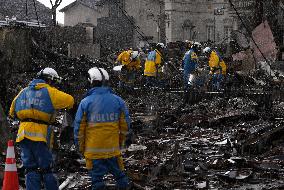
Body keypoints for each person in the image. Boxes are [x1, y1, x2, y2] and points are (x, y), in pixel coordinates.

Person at [9, 67, 74, 190]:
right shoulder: (50, 92)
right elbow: (70, 101)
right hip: (41, 134)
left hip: (23, 133)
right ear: (49, 80)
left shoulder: (22, 92)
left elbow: (12, 112)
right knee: (47, 168)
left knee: (30, 168)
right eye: (54, 82)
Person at [73, 67, 131, 190]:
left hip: (93, 152)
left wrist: (80, 147)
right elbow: (126, 126)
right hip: (113, 150)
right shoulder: (118, 101)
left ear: (91, 81)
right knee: (120, 177)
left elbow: (79, 130)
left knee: (97, 181)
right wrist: (121, 143)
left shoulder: (85, 103)